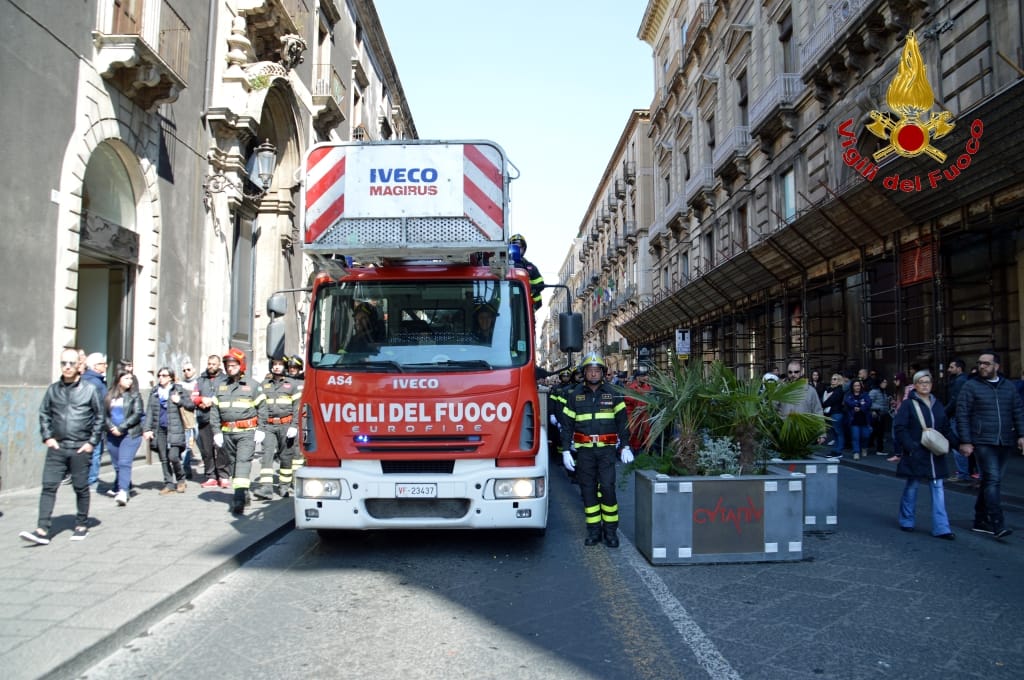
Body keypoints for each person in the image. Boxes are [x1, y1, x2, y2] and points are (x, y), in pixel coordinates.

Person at [20, 349, 104, 544]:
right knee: (48, 487)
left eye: (71, 363)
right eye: (63, 363)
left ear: (79, 366)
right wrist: (48, 437)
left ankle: (81, 524)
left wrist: (91, 442)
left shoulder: (89, 389)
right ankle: (42, 529)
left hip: (80, 447)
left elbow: (100, 417)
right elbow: (44, 413)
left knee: (80, 487)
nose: (67, 367)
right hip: (57, 447)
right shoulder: (53, 390)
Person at [559, 352, 633, 548]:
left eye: (597, 370)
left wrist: (625, 445)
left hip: (606, 452)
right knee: (588, 490)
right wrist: (565, 450)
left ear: (603, 372)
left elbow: (623, 423)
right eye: (590, 370)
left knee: (607, 488)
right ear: (584, 373)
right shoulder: (575, 395)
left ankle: (610, 531)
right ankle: (594, 531)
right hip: (585, 453)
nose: (593, 373)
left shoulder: (613, 393)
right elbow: (567, 425)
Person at [956, 351, 1024, 539]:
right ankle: (997, 524)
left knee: (989, 481)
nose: (982, 366)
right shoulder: (971, 386)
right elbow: (962, 414)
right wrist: (966, 441)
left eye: (986, 363)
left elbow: (1018, 411)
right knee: (993, 480)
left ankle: (980, 520)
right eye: (980, 363)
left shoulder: (1008, 387)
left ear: (996, 366)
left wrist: (1022, 435)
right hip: (982, 440)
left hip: (1004, 440)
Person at [891, 370, 955, 539]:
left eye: (927, 382)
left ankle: (942, 527)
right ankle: (907, 520)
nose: (925, 385)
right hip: (917, 452)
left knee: (938, 488)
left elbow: (945, 428)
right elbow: (900, 427)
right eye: (921, 382)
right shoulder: (908, 404)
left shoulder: (937, 404)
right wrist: (910, 446)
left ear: (932, 385)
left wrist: (959, 444)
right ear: (915, 385)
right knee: (912, 485)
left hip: (935, 454)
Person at [210, 348, 268, 514]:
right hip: (227, 433)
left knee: (243, 462)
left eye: (233, 365)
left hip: (246, 433)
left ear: (241, 365)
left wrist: (261, 429)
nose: (230, 368)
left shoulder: (253, 386)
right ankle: (244, 492)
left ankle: (239, 499)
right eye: (228, 365)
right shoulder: (220, 386)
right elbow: (214, 411)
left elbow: (262, 408)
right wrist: (216, 432)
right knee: (234, 464)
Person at [253, 357, 301, 500]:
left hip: (286, 425)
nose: (277, 367)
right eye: (274, 364)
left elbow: (297, 408)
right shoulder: (264, 385)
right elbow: (259, 407)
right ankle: (266, 488)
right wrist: (259, 427)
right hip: (268, 426)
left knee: (286, 456)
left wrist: (294, 426)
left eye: (280, 364)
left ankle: (284, 486)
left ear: (285, 367)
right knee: (267, 455)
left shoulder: (292, 385)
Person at [143, 367, 194, 495]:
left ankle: (181, 479)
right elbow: (149, 411)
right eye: (159, 375)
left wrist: (179, 401)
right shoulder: (155, 391)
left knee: (173, 456)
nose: (161, 378)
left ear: (170, 377)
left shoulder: (178, 390)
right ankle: (169, 484)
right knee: (164, 458)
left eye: (164, 375)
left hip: (175, 429)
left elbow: (191, 405)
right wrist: (147, 429)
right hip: (159, 429)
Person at [104, 368, 144, 506]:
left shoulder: (135, 395)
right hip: (112, 435)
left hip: (130, 434)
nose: (130, 381)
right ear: (118, 380)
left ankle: (123, 491)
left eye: (131, 378)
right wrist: (111, 428)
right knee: (117, 465)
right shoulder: (109, 395)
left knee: (124, 462)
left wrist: (121, 428)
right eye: (126, 378)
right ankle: (124, 484)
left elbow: (137, 413)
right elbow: (103, 414)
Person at [195, 355, 229, 488]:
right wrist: (201, 400)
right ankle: (211, 476)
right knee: (207, 450)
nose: (211, 366)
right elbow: (194, 396)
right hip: (204, 418)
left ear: (219, 365)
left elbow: (228, 396)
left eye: (214, 364)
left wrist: (212, 401)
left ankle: (223, 475)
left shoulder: (225, 379)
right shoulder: (200, 380)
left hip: (220, 419)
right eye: (209, 364)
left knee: (221, 448)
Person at [82, 352, 108, 488]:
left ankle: (82, 478)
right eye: (103, 363)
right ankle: (91, 481)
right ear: (95, 366)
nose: (106, 366)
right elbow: (104, 403)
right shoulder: (97, 382)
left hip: (84, 422)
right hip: (95, 422)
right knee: (96, 452)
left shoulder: (83, 379)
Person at [945, 358, 972, 482]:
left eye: (952, 367)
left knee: (957, 445)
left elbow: (955, 399)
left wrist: (945, 412)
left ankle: (962, 473)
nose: (949, 369)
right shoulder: (963, 380)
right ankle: (965, 472)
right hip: (961, 415)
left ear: (959, 368)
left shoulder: (960, 381)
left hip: (957, 416)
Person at [509, 233, 545, 311]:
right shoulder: (502, 264)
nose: (518, 249)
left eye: (520, 247)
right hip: (507, 300)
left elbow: (540, 284)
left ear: (524, 249)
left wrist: (530, 289)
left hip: (525, 303)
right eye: (515, 246)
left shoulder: (530, 267)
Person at [179, 359, 200, 480]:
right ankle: (186, 470)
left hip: (199, 417)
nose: (186, 372)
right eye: (184, 370)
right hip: (187, 419)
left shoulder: (199, 383)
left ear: (194, 370)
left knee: (202, 445)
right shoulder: (180, 385)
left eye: (188, 369)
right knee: (187, 445)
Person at [844, 379, 872, 460]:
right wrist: (859, 403)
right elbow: (848, 402)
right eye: (855, 386)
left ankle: (864, 447)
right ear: (852, 387)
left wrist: (860, 408)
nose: (857, 387)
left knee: (866, 436)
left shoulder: (865, 394)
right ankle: (856, 452)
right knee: (855, 436)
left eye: (858, 385)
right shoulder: (849, 395)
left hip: (864, 419)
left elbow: (869, 403)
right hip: (853, 419)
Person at [821, 373, 845, 457]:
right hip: (832, 413)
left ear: (839, 381)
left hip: (837, 413)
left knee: (838, 433)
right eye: (832, 379)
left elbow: (831, 401)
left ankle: (838, 451)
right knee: (835, 433)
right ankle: (836, 450)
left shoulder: (839, 390)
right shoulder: (831, 390)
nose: (832, 381)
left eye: (835, 379)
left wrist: (822, 404)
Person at [868, 377, 891, 455]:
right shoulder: (874, 391)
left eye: (886, 382)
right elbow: (869, 402)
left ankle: (871, 445)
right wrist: (874, 410)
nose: (885, 384)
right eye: (884, 382)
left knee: (878, 432)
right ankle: (879, 449)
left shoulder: (884, 392)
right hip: (876, 414)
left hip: (883, 414)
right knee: (878, 432)